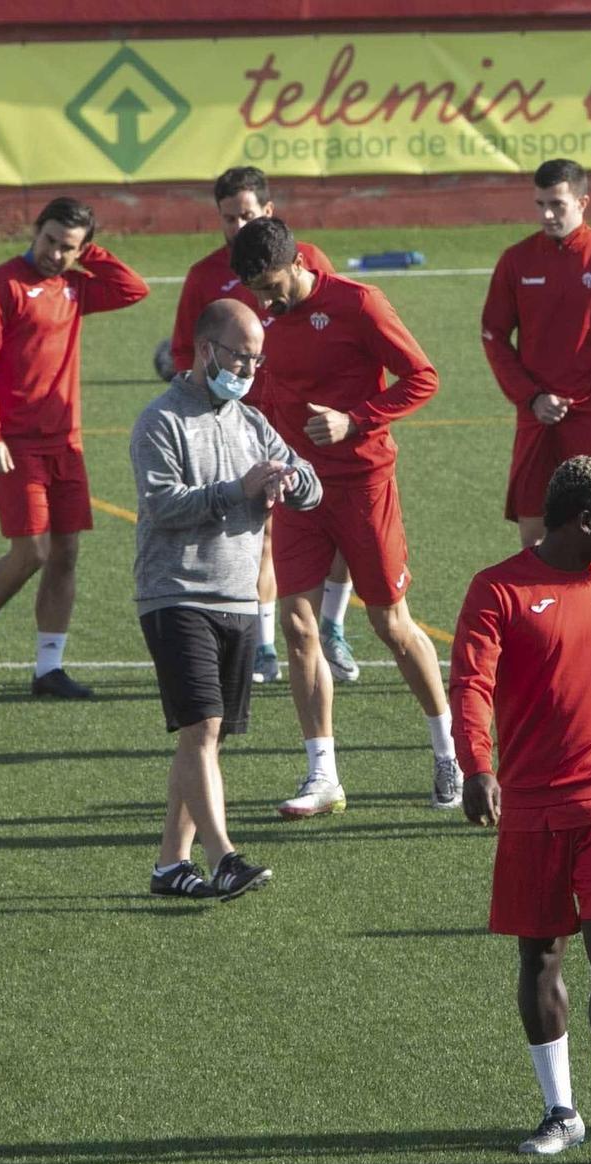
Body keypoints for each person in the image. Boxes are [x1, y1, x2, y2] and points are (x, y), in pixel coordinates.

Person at [451, 455, 591, 1164]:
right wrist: (477, 765)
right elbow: (471, 684)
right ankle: (560, 1110)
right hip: (534, 803)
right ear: (582, 520)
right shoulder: (499, 590)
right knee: (540, 954)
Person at [230, 216, 459, 817]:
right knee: (298, 626)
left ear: (297, 262)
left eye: (271, 284)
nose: (265, 300)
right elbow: (265, 389)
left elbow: (423, 377)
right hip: (300, 486)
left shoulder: (359, 303)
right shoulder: (262, 318)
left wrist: (355, 418)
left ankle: (447, 751)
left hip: (362, 483)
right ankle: (322, 774)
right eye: (254, 289)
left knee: (391, 625)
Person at [131, 299, 321, 901]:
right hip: (177, 594)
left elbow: (310, 486)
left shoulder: (251, 422)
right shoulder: (160, 421)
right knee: (202, 726)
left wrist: (291, 481)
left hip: (238, 599)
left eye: (258, 360)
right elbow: (163, 505)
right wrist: (235, 490)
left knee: (202, 737)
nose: (250, 370)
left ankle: (169, 865)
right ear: (206, 349)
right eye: (243, 356)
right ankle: (224, 858)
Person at [166, 166, 356, 688]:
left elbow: (335, 326)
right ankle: (264, 642)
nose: (237, 225)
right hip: (245, 422)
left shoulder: (308, 260)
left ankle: (333, 625)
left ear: (269, 213)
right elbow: (186, 348)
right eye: (228, 217)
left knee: (333, 515)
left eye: (247, 215)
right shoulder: (206, 276)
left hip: (309, 417)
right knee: (264, 528)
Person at [0, 197, 149, 699]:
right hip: (16, 444)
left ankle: (48, 669)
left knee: (65, 553)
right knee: (33, 552)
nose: (56, 254)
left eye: (69, 247)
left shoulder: (76, 286)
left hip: (67, 441)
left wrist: (93, 254)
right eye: (51, 241)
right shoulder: (0, 286)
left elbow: (134, 289)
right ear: (34, 229)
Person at [480, 158, 591, 549]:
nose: (547, 214)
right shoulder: (517, 260)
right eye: (540, 204)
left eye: (557, 204)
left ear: (582, 202)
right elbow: (493, 335)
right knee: (533, 536)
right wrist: (531, 397)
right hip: (537, 418)